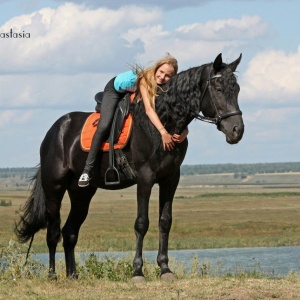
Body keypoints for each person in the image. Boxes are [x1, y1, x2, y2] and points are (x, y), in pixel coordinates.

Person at [78, 54, 189, 187]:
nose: (162, 77)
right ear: (156, 69)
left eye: (167, 75)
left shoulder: (168, 87)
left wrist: (185, 132)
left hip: (133, 91)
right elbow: (149, 110)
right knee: (104, 125)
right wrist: (163, 133)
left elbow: (177, 112)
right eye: (161, 72)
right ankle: (87, 170)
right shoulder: (144, 80)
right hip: (115, 91)